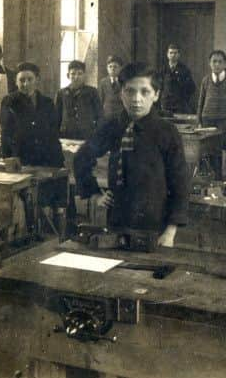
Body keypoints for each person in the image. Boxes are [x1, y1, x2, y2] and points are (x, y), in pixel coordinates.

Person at [74, 63, 188, 247]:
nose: (136, 99)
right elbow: (82, 158)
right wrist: (95, 193)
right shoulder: (113, 127)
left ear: (156, 95)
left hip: (154, 223)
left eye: (145, 92)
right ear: (121, 94)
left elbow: (180, 183)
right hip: (118, 219)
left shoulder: (167, 132)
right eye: (130, 91)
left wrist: (170, 231)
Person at [0, 62, 64, 167]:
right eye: (22, 80)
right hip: (21, 158)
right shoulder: (9, 101)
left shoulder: (47, 103)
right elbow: (6, 133)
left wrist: (58, 161)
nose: (26, 84)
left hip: (46, 157)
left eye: (30, 79)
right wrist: (7, 158)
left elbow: (53, 133)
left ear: (37, 80)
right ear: (15, 81)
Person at [197, 50, 226, 180]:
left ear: (225, 63)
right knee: (209, 152)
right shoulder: (206, 80)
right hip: (207, 121)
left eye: (220, 62)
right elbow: (201, 101)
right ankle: (212, 180)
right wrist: (199, 120)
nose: (216, 64)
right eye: (214, 61)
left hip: (225, 122)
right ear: (209, 63)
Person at [55, 60, 103, 140]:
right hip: (66, 135)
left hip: (87, 135)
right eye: (73, 74)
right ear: (68, 75)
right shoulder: (61, 93)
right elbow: (57, 117)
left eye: (80, 73)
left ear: (84, 75)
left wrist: (97, 133)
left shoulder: (92, 92)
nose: (76, 77)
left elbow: (100, 115)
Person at [159, 44, 196, 114]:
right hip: (165, 104)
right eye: (171, 53)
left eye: (175, 53)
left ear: (179, 55)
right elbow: (158, 87)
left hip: (179, 105)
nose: (173, 55)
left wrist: (184, 99)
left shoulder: (185, 70)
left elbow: (191, 88)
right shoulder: (162, 70)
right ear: (167, 55)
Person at [98, 55, 125, 123]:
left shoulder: (124, 82)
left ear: (120, 68)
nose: (112, 69)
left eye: (115, 66)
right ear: (107, 68)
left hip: (121, 117)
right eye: (110, 66)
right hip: (107, 117)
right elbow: (100, 101)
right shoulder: (103, 82)